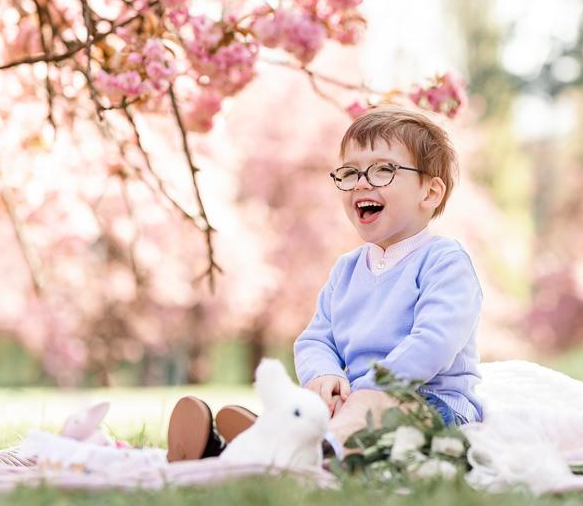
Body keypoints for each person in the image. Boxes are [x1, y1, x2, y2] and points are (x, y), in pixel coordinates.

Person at [166, 105, 484, 461]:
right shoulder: (347, 269)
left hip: (431, 405)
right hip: (354, 402)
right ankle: (227, 453)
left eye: (383, 170)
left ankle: (309, 454)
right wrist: (324, 376)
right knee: (312, 407)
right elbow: (317, 338)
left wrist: (366, 390)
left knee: (369, 409)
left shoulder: (444, 261)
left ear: (429, 193)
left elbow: (433, 343)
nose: (362, 182)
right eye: (350, 173)